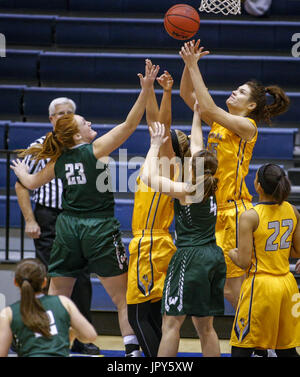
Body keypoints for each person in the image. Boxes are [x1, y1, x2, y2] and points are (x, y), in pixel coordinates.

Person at [10, 60, 160, 357]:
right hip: (98, 227)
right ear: (77, 135)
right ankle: (131, 351)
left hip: (67, 228)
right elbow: (130, 124)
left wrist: (19, 171)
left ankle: (43, 346)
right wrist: (145, 90)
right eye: (84, 122)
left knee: (57, 295)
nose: (89, 123)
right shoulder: (95, 149)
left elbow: (30, 181)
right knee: (121, 297)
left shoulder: (59, 160)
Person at [179, 39, 290, 310]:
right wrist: (187, 64)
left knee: (234, 287)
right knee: (223, 286)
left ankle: (261, 339)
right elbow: (186, 94)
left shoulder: (246, 126)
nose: (233, 92)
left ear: (251, 106)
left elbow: (207, 108)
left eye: (240, 92)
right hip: (213, 208)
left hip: (233, 212)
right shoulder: (220, 121)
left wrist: (195, 66)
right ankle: (257, 335)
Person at [15, 97, 99, 355]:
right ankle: (42, 334)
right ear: (51, 119)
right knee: (46, 278)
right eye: (60, 113)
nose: (64, 116)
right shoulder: (40, 146)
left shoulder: (84, 146)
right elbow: (22, 184)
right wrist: (30, 220)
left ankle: (82, 339)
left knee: (82, 278)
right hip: (49, 218)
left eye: (69, 113)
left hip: (77, 217)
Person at [141, 104, 226, 357]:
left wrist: (155, 146)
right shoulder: (210, 182)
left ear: (191, 167)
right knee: (206, 328)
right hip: (213, 255)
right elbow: (199, 148)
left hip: (190, 258)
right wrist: (197, 115)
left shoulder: (186, 190)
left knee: (171, 324)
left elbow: (147, 177)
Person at [127, 64, 179, 357]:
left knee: (138, 315)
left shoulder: (170, 166)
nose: (160, 138)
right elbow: (156, 124)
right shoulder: (163, 163)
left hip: (150, 244)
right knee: (150, 316)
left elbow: (163, 126)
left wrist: (166, 94)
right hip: (153, 245)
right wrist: (152, 90)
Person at [228, 163, 300, 357]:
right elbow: (296, 251)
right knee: (287, 350)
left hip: (261, 287)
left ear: (258, 185)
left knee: (241, 346)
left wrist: (229, 252)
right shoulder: (292, 210)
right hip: (287, 285)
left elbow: (243, 262)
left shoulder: (250, 216)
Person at [0, 258, 97, 357]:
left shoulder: (8, 313)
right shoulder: (64, 302)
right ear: (44, 282)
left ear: (15, 282)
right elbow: (90, 336)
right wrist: (73, 332)